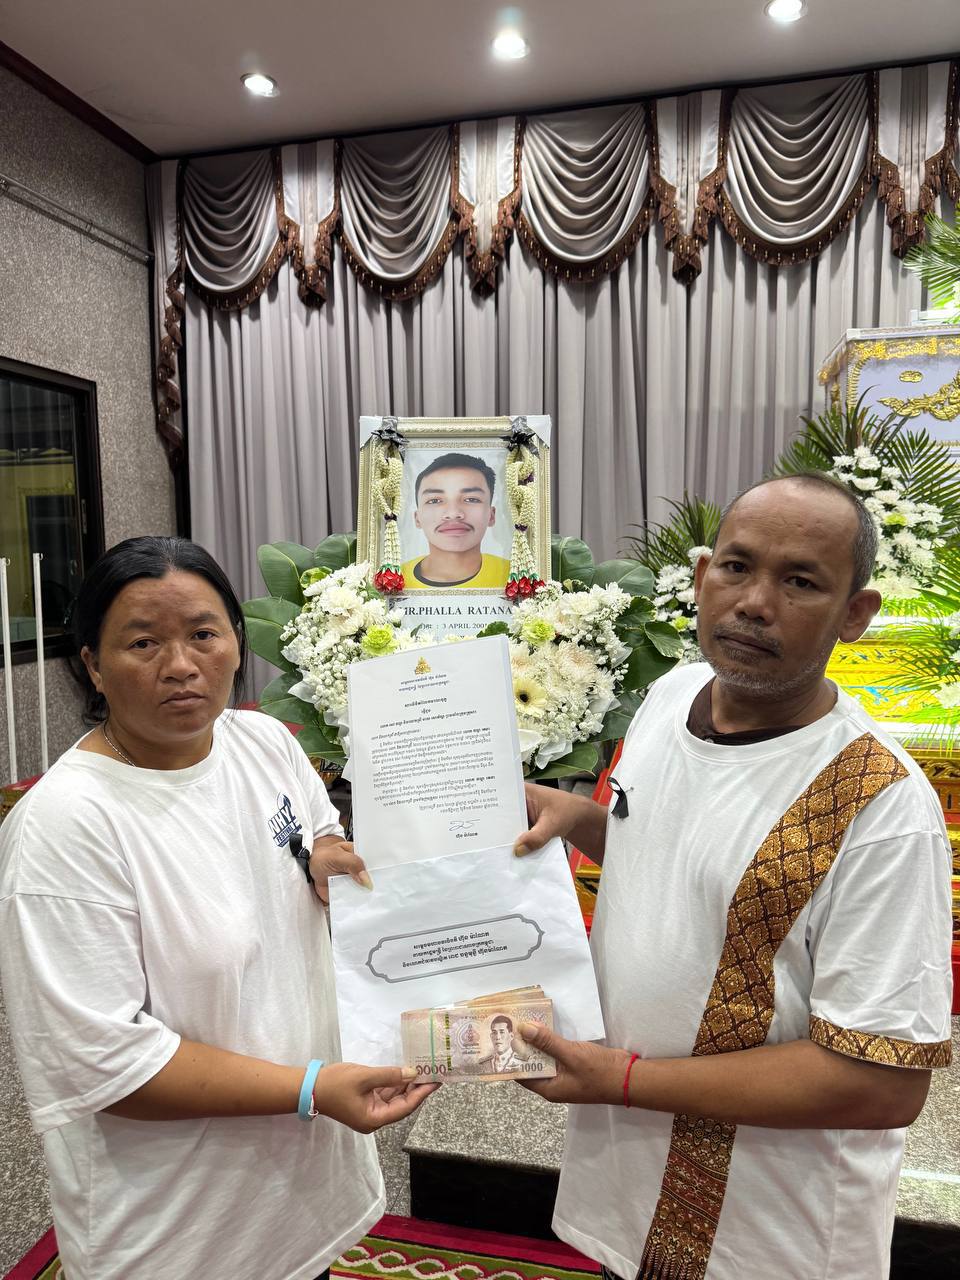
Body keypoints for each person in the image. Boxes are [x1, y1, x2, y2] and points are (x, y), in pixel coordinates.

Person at [512, 475, 954, 1280]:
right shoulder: (673, 694)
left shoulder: (879, 804)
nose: (754, 603)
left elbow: (883, 1083)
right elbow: (691, 862)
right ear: (700, 576)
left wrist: (622, 1078)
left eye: (800, 582)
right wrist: (578, 819)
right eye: (737, 567)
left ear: (855, 613)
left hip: (767, 1233)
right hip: (624, 1180)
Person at [0, 536, 436, 1280]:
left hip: (297, 1191)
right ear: (94, 666)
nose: (180, 665)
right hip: (180, 1229)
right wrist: (311, 1088)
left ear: (236, 640)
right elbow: (110, 1065)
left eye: (203, 633)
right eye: (143, 642)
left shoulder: (260, 741)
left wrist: (329, 857)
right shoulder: (66, 828)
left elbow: (318, 836)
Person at [401, 452, 510, 588]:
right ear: (417, 518)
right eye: (434, 500)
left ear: (491, 515)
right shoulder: (394, 579)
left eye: (471, 499)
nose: (453, 514)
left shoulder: (516, 576)